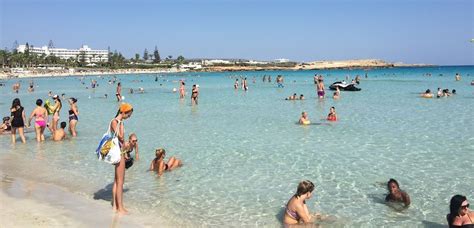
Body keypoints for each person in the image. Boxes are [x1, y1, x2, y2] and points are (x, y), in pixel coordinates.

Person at [111, 103, 134, 214]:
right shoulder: (115, 122)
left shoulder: (116, 122)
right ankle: (120, 207)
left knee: (116, 181)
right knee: (120, 182)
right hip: (119, 153)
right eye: (128, 115)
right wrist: (122, 125)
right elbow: (120, 137)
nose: (128, 117)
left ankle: (115, 206)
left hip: (118, 152)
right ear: (123, 112)